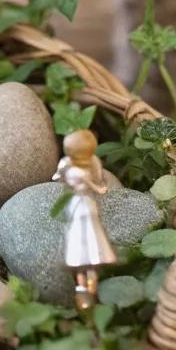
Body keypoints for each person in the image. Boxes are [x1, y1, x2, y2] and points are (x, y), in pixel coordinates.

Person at [53, 128, 116, 310]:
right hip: (86, 203)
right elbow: (98, 182)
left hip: (76, 203)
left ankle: (82, 287)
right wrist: (99, 188)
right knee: (91, 237)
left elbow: (58, 178)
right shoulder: (93, 162)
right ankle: (90, 285)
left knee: (78, 239)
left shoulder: (66, 163)